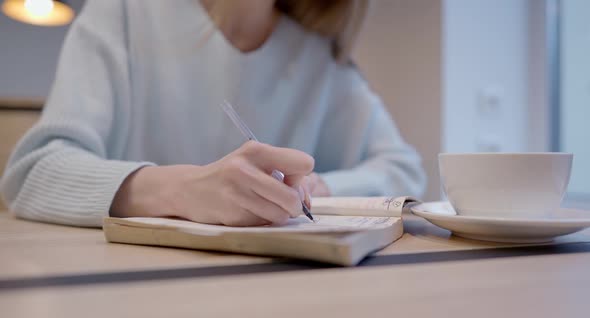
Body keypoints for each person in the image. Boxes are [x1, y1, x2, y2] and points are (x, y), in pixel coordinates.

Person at [0, 0, 426, 227]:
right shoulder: (124, 13)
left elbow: (405, 171)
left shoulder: (320, 61)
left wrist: (320, 187)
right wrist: (186, 191)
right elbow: (32, 173)